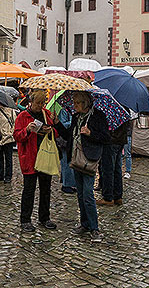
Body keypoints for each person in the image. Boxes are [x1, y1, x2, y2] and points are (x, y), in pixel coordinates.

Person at [54, 91, 110, 242]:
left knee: (88, 194)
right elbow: (68, 136)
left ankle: (94, 228)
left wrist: (90, 133)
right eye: (74, 103)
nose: (74, 105)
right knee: (80, 193)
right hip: (75, 158)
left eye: (77, 103)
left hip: (89, 158)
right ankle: (84, 223)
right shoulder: (75, 117)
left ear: (84, 103)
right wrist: (57, 124)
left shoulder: (97, 116)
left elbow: (105, 137)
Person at [13, 89, 58, 232]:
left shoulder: (47, 114)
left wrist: (52, 128)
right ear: (31, 102)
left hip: (45, 156)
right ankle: (25, 219)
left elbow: (56, 133)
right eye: (37, 103)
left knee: (46, 189)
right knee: (29, 190)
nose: (40, 106)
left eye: (42, 103)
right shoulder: (23, 116)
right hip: (30, 158)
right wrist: (27, 130)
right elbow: (17, 136)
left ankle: (44, 217)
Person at [98, 106, 128, 207]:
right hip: (120, 141)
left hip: (111, 141)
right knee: (117, 169)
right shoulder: (125, 107)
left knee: (108, 169)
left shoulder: (112, 107)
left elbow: (109, 126)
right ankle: (118, 196)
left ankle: (108, 197)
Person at [0, 101, 15, 184]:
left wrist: (11, 133)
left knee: (8, 158)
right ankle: (0, 175)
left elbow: (14, 122)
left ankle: (8, 176)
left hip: (8, 138)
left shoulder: (11, 110)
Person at [57, 108, 76, 194]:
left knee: (70, 163)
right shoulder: (64, 111)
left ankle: (71, 183)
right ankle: (66, 184)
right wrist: (72, 122)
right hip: (65, 141)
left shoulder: (73, 112)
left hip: (71, 140)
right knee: (65, 162)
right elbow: (63, 125)